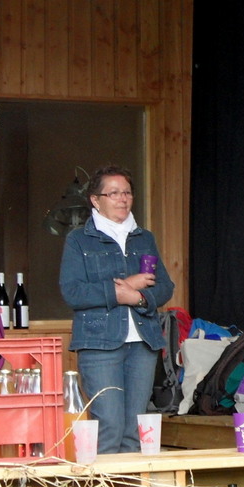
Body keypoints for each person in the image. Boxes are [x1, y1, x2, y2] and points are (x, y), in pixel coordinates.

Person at [59, 164, 174, 454]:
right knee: (108, 425)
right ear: (95, 200)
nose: (122, 198)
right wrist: (119, 291)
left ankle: (129, 486)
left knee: (135, 429)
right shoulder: (78, 239)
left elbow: (165, 287)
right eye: (113, 193)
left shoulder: (144, 238)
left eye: (127, 192)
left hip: (143, 342)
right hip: (99, 343)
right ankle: (105, 486)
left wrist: (137, 298)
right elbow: (72, 292)